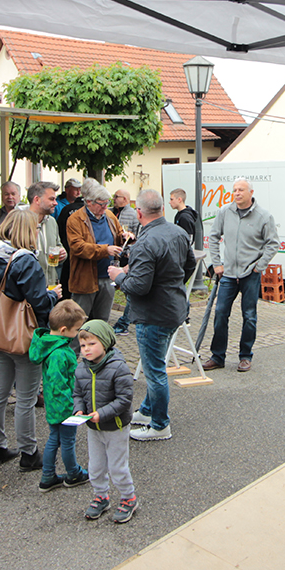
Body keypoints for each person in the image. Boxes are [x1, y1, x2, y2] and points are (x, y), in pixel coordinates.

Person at [109, 189, 195, 442]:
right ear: (162, 209)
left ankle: (160, 425)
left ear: (139, 213)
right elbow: (189, 265)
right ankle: (147, 411)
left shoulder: (145, 242)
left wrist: (119, 276)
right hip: (173, 309)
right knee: (156, 365)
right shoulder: (178, 233)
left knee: (155, 371)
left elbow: (138, 287)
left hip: (153, 314)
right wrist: (169, 283)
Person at [0, 209, 58, 470]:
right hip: (24, 334)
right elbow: (39, 302)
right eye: (35, 228)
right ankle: (29, 452)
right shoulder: (25, 260)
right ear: (27, 230)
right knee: (26, 398)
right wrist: (53, 295)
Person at [203, 178, 279, 373]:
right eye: (235, 190)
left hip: (250, 274)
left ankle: (245, 356)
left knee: (249, 316)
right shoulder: (224, 212)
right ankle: (217, 356)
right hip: (228, 274)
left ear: (251, 192)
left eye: (241, 190)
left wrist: (259, 266)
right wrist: (217, 263)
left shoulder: (263, 216)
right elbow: (213, 236)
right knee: (220, 313)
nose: (237, 193)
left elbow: (273, 243)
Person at [72, 320, 136, 523]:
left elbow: (124, 400)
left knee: (117, 467)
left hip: (115, 427)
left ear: (105, 343)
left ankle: (129, 497)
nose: (86, 349)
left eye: (92, 344)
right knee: (96, 466)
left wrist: (102, 413)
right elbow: (77, 394)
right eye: (83, 345)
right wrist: (78, 409)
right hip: (94, 427)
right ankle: (101, 496)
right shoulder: (82, 369)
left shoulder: (118, 367)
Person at [29, 298, 90, 492]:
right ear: (64, 330)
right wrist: (71, 406)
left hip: (53, 405)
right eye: (76, 330)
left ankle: (48, 476)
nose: (78, 334)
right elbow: (59, 383)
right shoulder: (60, 353)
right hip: (64, 406)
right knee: (67, 441)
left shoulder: (51, 346)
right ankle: (73, 473)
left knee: (54, 439)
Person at [66, 179, 123, 321]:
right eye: (101, 204)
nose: (105, 207)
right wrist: (105, 250)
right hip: (85, 280)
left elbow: (118, 234)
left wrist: (125, 236)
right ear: (89, 202)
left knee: (102, 321)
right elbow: (78, 247)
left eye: (107, 203)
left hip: (107, 277)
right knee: (79, 321)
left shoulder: (109, 216)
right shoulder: (75, 219)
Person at [27, 181, 67, 288]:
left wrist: (63, 253)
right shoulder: (21, 223)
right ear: (37, 200)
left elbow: (58, 245)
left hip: (51, 285)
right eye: (51, 199)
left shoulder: (52, 222)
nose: (56, 203)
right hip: (30, 287)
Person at [110, 189, 139, 335]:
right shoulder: (110, 212)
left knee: (128, 290)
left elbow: (136, 236)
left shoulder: (132, 214)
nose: (114, 199)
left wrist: (129, 247)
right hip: (114, 254)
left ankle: (124, 323)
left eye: (117, 197)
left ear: (126, 199)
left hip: (126, 256)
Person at [55, 178, 84, 290]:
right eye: (75, 189)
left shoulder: (82, 206)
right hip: (63, 247)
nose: (78, 192)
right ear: (67, 190)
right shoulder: (58, 205)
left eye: (79, 189)